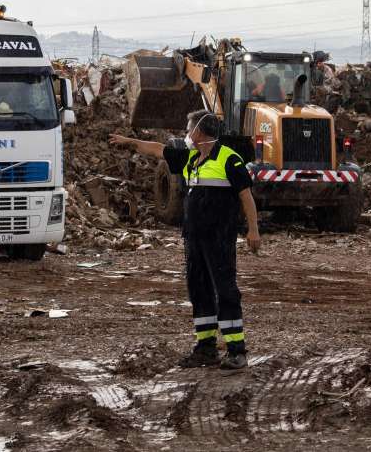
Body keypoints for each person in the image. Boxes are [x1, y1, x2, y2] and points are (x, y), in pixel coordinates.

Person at [109, 110, 260, 373]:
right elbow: (159, 149)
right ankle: (206, 347)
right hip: (194, 239)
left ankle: (237, 351)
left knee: (225, 290)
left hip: (218, 238)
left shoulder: (229, 159)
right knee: (198, 289)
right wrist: (131, 142)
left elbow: (246, 196)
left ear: (200, 131)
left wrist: (253, 231)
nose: (186, 133)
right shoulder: (191, 157)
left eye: (189, 128)